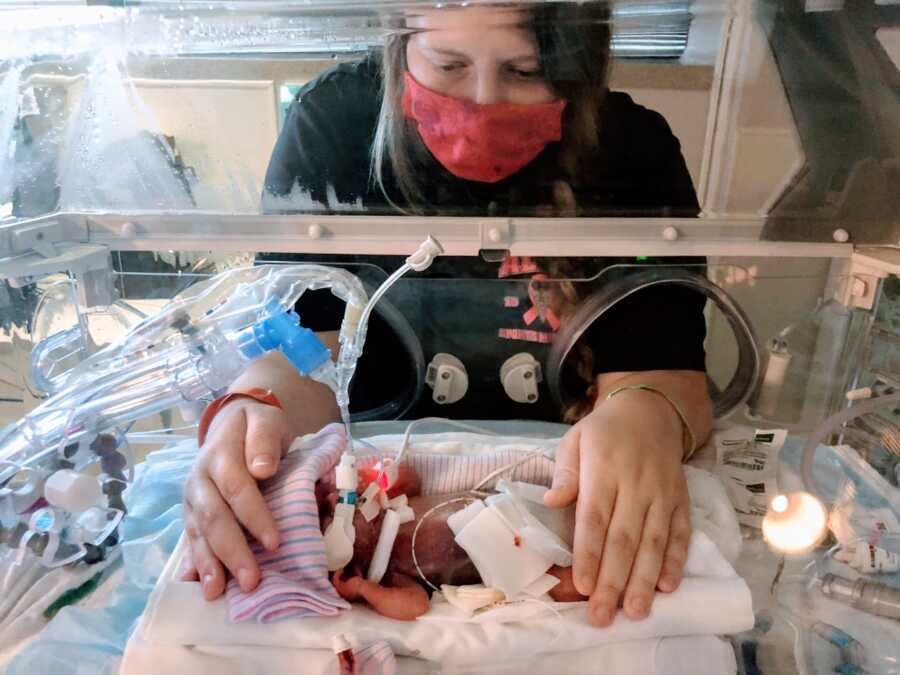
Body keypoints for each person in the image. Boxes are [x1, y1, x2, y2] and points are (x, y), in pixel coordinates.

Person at [182, 3, 714, 629]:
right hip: (376, 475)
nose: (483, 101)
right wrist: (253, 410)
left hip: (559, 487)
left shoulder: (631, 150)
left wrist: (645, 410)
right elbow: (301, 346)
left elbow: (668, 372)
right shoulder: (334, 126)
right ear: (398, 39)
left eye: (525, 71)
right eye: (447, 64)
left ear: (580, 67)